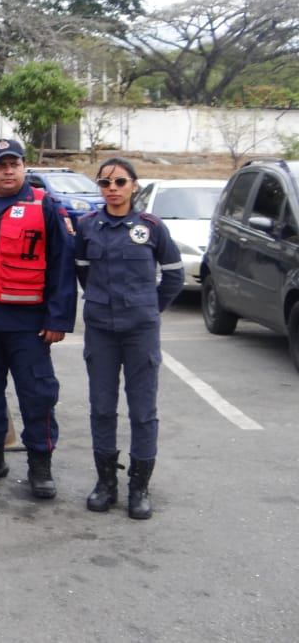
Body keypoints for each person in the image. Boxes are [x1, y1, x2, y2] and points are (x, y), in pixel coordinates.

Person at [0, 138, 77, 499]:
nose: (8, 171)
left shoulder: (46, 206)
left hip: (29, 324)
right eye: (1, 165)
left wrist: (58, 318)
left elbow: (63, 268)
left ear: (24, 167)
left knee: (37, 394)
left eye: (14, 164)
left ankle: (40, 464)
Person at [75, 157, 184, 519]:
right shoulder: (88, 226)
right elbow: (83, 273)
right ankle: (106, 483)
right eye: (105, 183)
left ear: (134, 185)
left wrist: (149, 309)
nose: (113, 189)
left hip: (140, 332)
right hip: (101, 331)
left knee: (143, 412)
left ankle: (139, 486)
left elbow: (173, 276)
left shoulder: (152, 226)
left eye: (120, 182)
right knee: (102, 409)